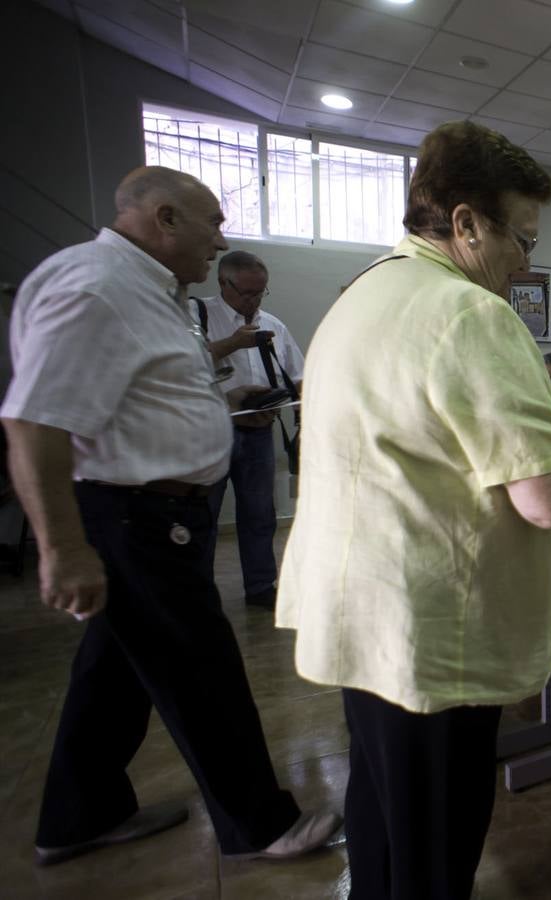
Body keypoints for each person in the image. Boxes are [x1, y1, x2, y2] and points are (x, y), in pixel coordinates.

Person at [275, 121, 551, 899]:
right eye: (519, 239)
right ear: (464, 224)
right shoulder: (470, 313)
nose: (525, 264)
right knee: (438, 843)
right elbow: (546, 497)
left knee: (383, 811)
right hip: (432, 636)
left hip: (365, 614)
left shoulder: (364, 295)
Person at [0, 166, 339, 866]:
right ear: (164, 217)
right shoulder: (95, 287)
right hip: (133, 517)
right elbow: (34, 422)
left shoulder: (146, 290)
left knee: (115, 672)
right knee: (200, 670)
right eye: (212, 221)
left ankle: (77, 815)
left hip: (151, 515)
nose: (221, 239)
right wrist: (61, 549)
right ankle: (261, 824)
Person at [198, 250, 304, 609]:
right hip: (209, 434)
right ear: (223, 282)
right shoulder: (197, 315)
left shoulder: (274, 325)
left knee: (260, 514)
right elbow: (181, 365)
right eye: (246, 293)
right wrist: (233, 343)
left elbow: (298, 376)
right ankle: (200, 593)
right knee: (204, 517)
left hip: (260, 432)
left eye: (260, 293)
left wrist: (282, 403)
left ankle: (261, 586)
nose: (253, 301)